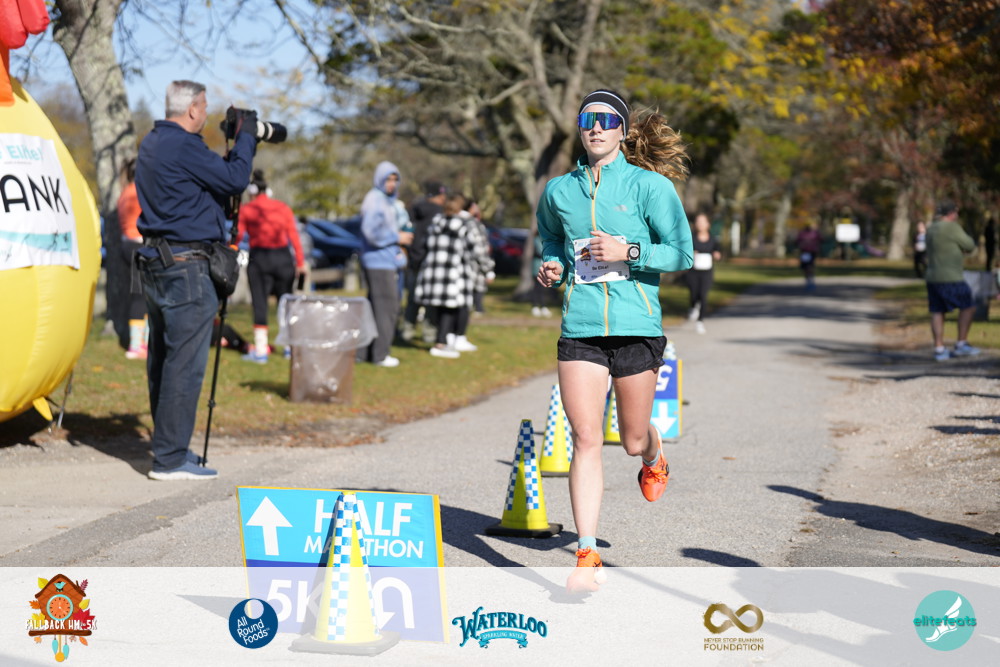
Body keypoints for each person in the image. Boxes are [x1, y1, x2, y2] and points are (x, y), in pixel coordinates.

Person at [536, 89, 692, 591]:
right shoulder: (559, 190)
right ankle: (586, 553)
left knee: (629, 440)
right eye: (589, 120)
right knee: (585, 438)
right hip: (581, 328)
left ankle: (652, 454)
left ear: (622, 131)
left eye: (607, 120)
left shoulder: (650, 187)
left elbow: (682, 253)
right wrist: (552, 266)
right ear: (581, 129)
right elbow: (551, 240)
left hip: (635, 326)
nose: (597, 127)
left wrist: (631, 251)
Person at [135, 80, 256, 480]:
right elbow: (235, 180)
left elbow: (200, 190)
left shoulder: (152, 143)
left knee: (163, 361)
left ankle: (169, 449)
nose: (206, 113)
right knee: (184, 365)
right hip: (186, 267)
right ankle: (170, 459)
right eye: (204, 106)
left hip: (157, 262)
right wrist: (247, 137)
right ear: (191, 109)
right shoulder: (185, 146)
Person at [236, 169, 305, 363]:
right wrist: (300, 262)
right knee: (286, 303)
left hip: (260, 260)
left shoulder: (247, 210)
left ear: (251, 191)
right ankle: (289, 348)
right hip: (283, 259)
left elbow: (238, 235)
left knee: (260, 303)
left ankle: (260, 350)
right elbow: (294, 236)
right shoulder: (282, 208)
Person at [415, 193, 492, 357]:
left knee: (439, 309)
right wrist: (488, 268)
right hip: (454, 273)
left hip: (434, 272)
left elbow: (424, 245)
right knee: (450, 309)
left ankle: (442, 340)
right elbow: (476, 250)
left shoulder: (436, 222)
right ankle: (441, 344)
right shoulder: (464, 225)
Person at [358, 161, 406, 367]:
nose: (392, 184)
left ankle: (363, 353)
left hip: (385, 261)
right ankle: (380, 355)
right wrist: (396, 237)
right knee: (387, 307)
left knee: (374, 308)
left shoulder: (385, 200)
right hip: (378, 262)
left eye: (395, 180)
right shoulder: (375, 199)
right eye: (388, 179)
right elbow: (371, 232)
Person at [925, 200, 980, 362]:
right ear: (951, 213)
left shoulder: (931, 228)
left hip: (932, 277)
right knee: (968, 306)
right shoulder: (952, 227)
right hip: (951, 277)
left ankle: (939, 348)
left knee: (937, 311)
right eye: (956, 212)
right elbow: (969, 245)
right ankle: (961, 343)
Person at [401, 180, 447, 343]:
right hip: (431, 261)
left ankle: (407, 330)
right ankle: (429, 333)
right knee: (430, 299)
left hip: (414, 258)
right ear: (439, 195)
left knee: (413, 297)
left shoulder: (413, 208)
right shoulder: (440, 212)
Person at [117, 157, 148, 360]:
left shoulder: (125, 192)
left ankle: (142, 342)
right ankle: (136, 346)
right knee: (140, 295)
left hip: (127, 245)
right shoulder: (138, 193)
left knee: (141, 293)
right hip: (137, 245)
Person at [685, 212, 722, 334]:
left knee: (703, 296)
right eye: (698, 222)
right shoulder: (691, 238)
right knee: (694, 294)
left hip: (707, 272)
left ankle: (700, 321)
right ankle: (693, 306)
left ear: (708, 224)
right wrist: (691, 253)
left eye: (703, 221)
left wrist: (716, 255)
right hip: (693, 272)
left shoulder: (713, 239)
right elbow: (685, 251)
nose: (700, 224)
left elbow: (718, 252)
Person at [796, 222, 822, 291]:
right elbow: (797, 241)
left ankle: (811, 280)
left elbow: (821, 239)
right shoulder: (802, 233)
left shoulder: (815, 233)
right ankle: (808, 280)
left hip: (812, 252)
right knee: (806, 267)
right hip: (805, 252)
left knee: (810, 266)